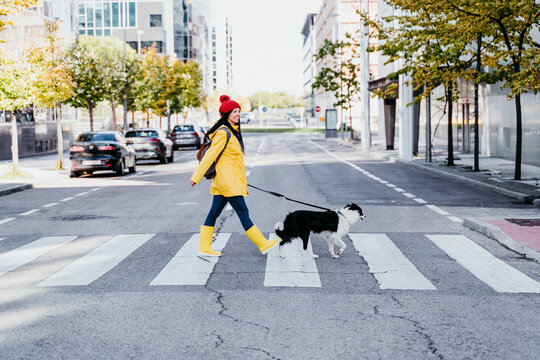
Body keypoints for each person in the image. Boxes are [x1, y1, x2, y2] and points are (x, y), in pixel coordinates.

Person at [190, 95, 279, 256]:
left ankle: (204, 246)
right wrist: (196, 176)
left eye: (239, 111)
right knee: (243, 212)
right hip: (228, 182)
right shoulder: (224, 133)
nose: (238, 114)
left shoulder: (232, 131)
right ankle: (263, 243)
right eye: (234, 111)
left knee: (214, 213)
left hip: (225, 181)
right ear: (226, 114)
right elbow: (210, 155)